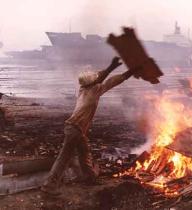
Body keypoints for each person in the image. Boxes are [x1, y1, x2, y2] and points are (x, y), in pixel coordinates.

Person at [41, 57, 133, 195]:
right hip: (75, 129)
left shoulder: (83, 89)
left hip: (77, 129)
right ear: (93, 82)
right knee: (63, 158)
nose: (96, 78)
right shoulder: (94, 90)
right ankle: (49, 186)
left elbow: (99, 78)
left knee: (84, 154)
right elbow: (110, 82)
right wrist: (128, 72)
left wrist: (111, 67)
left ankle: (89, 178)